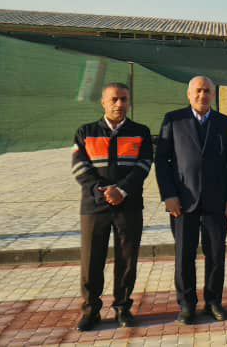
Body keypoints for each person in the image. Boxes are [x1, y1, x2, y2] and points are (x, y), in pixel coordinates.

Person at [155, 76, 227, 324]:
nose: (202, 95)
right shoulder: (173, 120)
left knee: (216, 254)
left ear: (213, 95)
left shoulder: (225, 122)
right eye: (198, 91)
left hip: (217, 202)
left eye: (207, 91)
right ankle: (187, 304)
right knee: (184, 255)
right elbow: (162, 161)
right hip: (183, 202)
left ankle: (213, 301)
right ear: (189, 94)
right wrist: (169, 195)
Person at [72, 82, 153, 331]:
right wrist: (104, 191)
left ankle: (122, 308)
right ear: (103, 102)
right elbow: (80, 167)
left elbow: (144, 165)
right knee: (91, 260)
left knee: (127, 260)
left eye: (124, 99)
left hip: (129, 206)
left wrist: (122, 190)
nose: (119, 104)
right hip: (94, 206)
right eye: (114, 99)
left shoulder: (141, 132)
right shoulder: (85, 132)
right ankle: (91, 311)